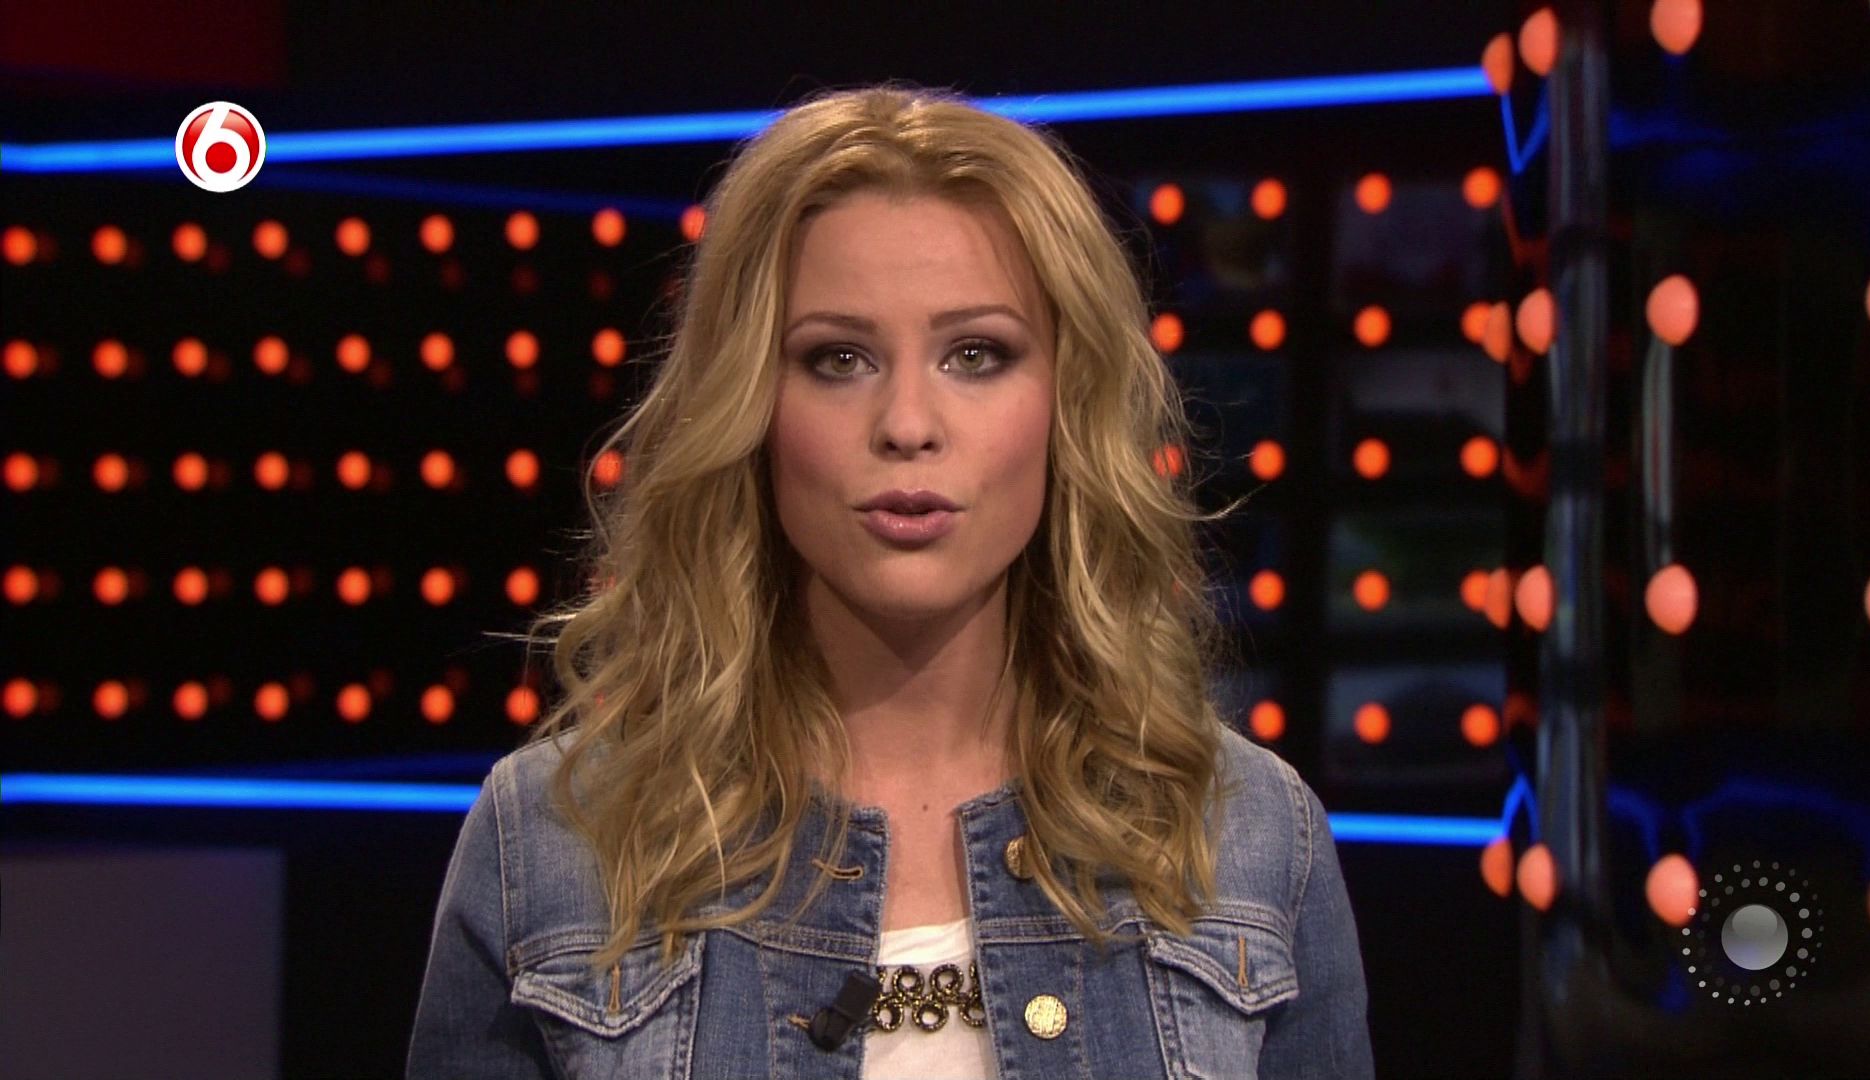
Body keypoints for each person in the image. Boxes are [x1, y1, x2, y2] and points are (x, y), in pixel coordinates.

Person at [406, 81, 1374, 1080]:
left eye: (976, 355)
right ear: (750, 403)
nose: (908, 424)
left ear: (1067, 401)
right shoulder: (552, 845)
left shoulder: (1251, 840)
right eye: (839, 358)